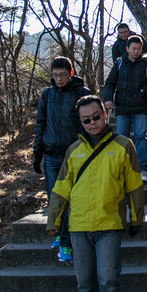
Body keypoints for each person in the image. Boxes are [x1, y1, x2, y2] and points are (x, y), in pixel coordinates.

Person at [46, 96, 144, 292]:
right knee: (85, 282)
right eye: (86, 120)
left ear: (105, 113)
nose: (92, 123)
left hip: (109, 224)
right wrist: (53, 221)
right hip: (78, 226)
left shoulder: (124, 146)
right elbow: (62, 188)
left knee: (108, 279)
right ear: (80, 122)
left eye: (96, 117)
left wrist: (136, 219)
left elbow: (134, 185)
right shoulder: (74, 151)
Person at [33, 57, 91, 263]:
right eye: (55, 75)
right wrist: (36, 154)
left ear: (71, 73)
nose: (58, 79)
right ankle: (60, 234)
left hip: (74, 156)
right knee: (55, 199)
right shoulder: (47, 95)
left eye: (63, 75)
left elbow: (90, 125)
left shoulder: (82, 94)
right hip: (50, 155)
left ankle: (66, 244)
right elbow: (40, 124)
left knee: (71, 201)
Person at [102, 34, 147, 183]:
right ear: (127, 48)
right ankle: (122, 168)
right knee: (121, 137)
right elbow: (110, 83)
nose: (136, 52)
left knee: (140, 137)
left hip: (140, 107)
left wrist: (143, 91)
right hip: (122, 107)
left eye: (139, 49)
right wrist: (108, 99)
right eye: (133, 49)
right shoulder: (119, 63)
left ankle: (142, 169)